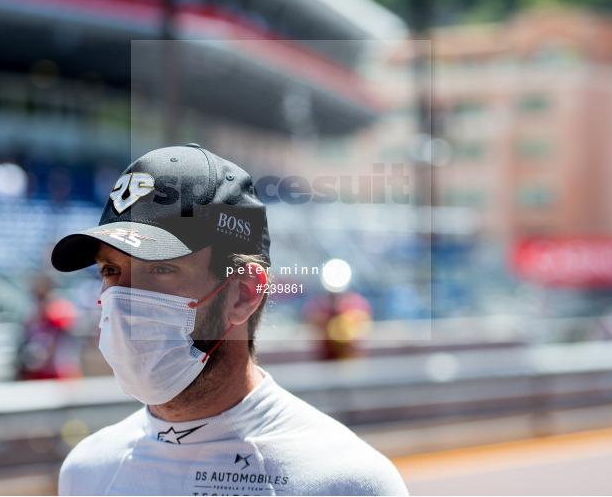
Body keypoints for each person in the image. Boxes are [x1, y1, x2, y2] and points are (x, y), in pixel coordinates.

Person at [51, 144, 408, 496]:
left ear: (243, 293)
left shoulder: (347, 481)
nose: (124, 300)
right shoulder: (86, 471)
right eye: (110, 270)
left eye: (160, 269)